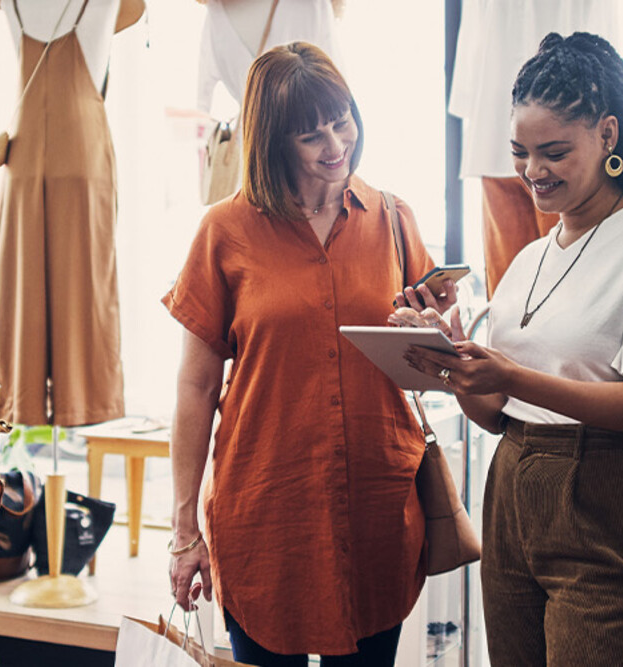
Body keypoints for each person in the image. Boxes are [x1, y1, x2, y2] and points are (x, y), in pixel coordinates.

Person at [399, 32, 623, 666]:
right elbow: (500, 411)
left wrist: (511, 377)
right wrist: (455, 358)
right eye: (520, 152)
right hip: (515, 495)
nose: (532, 172)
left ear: (608, 135)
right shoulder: (528, 259)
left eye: (553, 152)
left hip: (617, 503)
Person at [162, 41, 454, 667]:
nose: (335, 145)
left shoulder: (394, 218)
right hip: (267, 508)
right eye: (309, 135)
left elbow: (428, 363)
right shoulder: (224, 231)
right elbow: (194, 389)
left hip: (378, 501)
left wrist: (430, 330)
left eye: (341, 119)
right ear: (271, 142)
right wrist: (183, 531)